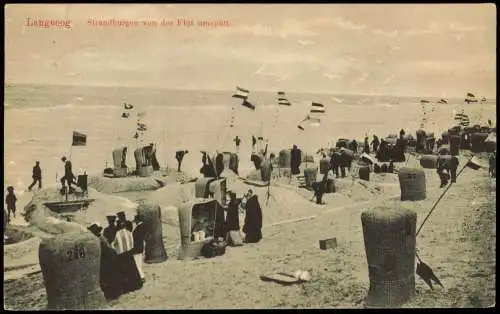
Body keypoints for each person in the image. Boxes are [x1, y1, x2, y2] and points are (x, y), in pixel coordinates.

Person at [88, 222, 121, 300]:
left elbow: (104, 251)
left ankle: (112, 295)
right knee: (109, 277)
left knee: (108, 277)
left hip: (108, 259)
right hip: (109, 258)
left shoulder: (99, 239)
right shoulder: (101, 238)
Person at [112, 212, 143, 294]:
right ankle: (135, 285)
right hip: (129, 253)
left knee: (124, 271)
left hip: (122, 255)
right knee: (132, 270)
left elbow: (114, 244)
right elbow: (132, 242)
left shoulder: (117, 234)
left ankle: (127, 287)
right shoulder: (129, 233)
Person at [131, 213, 147, 283]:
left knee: (137, 263)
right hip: (140, 247)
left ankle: (141, 277)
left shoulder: (138, 228)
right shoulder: (143, 226)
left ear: (138, 220)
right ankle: (141, 276)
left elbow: (135, 238)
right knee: (139, 263)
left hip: (136, 248)